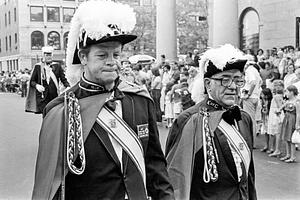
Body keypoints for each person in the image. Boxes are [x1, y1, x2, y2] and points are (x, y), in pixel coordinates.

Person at [31, 1, 174, 200]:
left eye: (116, 54)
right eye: (102, 55)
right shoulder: (60, 109)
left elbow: (155, 164)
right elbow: (52, 184)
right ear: (83, 57)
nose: (111, 61)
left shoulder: (140, 100)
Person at [165, 44, 257, 200]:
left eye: (238, 80)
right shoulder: (190, 119)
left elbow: (248, 177)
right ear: (208, 84)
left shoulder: (244, 118)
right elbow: (176, 179)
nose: (233, 87)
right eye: (225, 80)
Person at [26, 46, 70, 114]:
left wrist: (68, 86)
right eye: (47, 55)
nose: (49, 57)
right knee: (45, 115)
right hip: (42, 96)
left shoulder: (57, 66)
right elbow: (32, 81)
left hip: (54, 96)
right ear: (43, 55)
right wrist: (37, 86)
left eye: (50, 55)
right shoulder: (38, 66)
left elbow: (63, 79)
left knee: (54, 115)